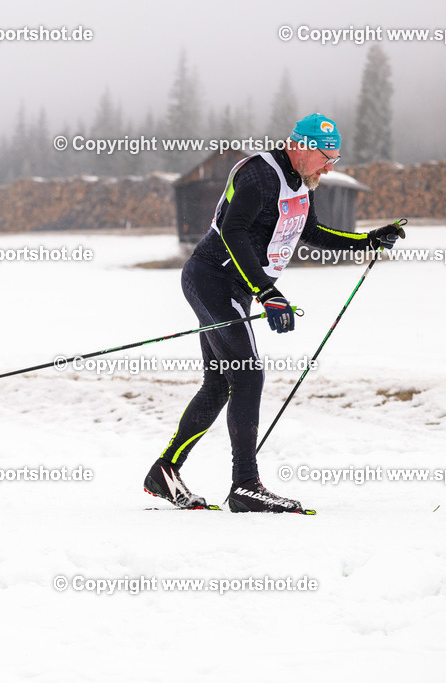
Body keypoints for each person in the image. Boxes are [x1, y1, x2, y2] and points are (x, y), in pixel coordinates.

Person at [143, 113, 405, 513]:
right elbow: (232, 231)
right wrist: (267, 292)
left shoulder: (303, 180)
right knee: (248, 375)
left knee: (219, 386)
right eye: (325, 156)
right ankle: (245, 485)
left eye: (335, 158)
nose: (330, 166)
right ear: (299, 145)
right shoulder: (258, 176)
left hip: (237, 289)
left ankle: (164, 471)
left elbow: (310, 230)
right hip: (212, 280)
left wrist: (367, 241)